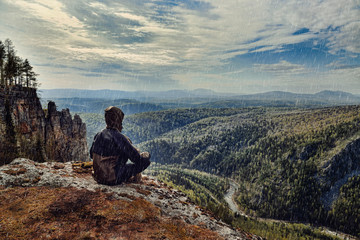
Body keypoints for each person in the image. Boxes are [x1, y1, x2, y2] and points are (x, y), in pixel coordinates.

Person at [90, 106, 150, 185]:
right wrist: (146, 156)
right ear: (118, 121)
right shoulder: (119, 137)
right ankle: (135, 179)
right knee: (145, 162)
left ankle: (117, 174)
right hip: (112, 177)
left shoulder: (99, 134)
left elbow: (91, 155)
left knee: (123, 154)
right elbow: (136, 159)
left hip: (98, 177)